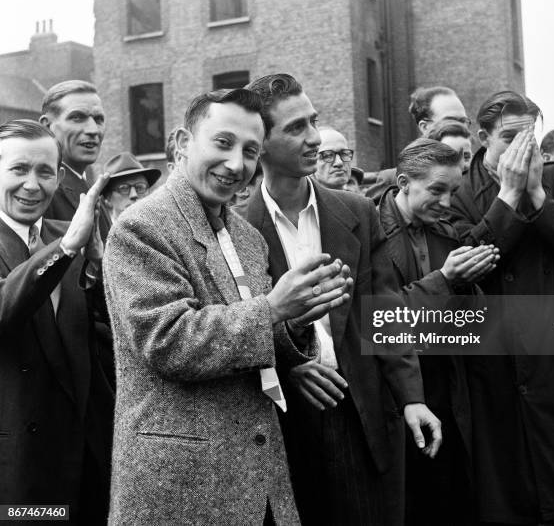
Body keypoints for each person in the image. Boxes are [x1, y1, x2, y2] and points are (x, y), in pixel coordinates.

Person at [102, 88, 352, 525]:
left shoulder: (247, 237)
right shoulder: (140, 228)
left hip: (260, 480)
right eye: (222, 143)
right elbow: (168, 340)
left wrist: (296, 320)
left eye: (250, 151)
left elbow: (259, 343)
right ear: (181, 143)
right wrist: (273, 309)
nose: (237, 164)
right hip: (183, 485)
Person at [241, 73, 441, 526]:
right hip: (286, 424)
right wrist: (289, 369)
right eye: (296, 128)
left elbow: (384, 311)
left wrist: (411, 398)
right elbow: (240, 323)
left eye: (313, 121)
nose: (313, 138)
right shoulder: (237, 229)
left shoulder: (356, 211)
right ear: (261, 142)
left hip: (363, 412)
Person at [447, 90, 554, 525]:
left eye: (531, 142)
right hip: (499, 375)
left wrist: (539, 198)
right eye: (509, 140)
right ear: (483, 138)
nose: (523, 153)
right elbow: (467, 268)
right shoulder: (461, 191)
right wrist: (507, 197)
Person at [378, 137, 499, 524]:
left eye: (452, 191)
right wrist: (445, 280)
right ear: (402, 183)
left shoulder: (449, 235)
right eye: (436, 190)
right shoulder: (365, 232)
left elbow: (474, 323)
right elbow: (376, 321)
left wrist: (470, 285)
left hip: (448, 390)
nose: (447, 203)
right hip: (394, 397)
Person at [0, 119, 114, 524]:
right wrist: (66, 249)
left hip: (85, 456)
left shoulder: (74, 236)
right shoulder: (68, 242)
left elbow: (108, 336)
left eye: (45, 172)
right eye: (19, 169)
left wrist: (99, 269)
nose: (32, 185)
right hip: (19, 468)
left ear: (60, 176)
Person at [366, 85, 468, 203]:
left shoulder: (478, 174)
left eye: (464, 121)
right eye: (450, 120)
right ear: (425, 127)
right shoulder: (392, 180)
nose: (461, 127)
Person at [40, 80, 112, 241]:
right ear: (46, 127)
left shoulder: (89, 188)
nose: (93, 130)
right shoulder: (42, 192)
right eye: (77, 118)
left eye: (99, 119)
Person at [101, 152, 161, 223]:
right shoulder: (101, 232)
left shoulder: (160, 229)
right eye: (124, 188)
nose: (134, 195)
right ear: (108, 197)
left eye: (140, 187)